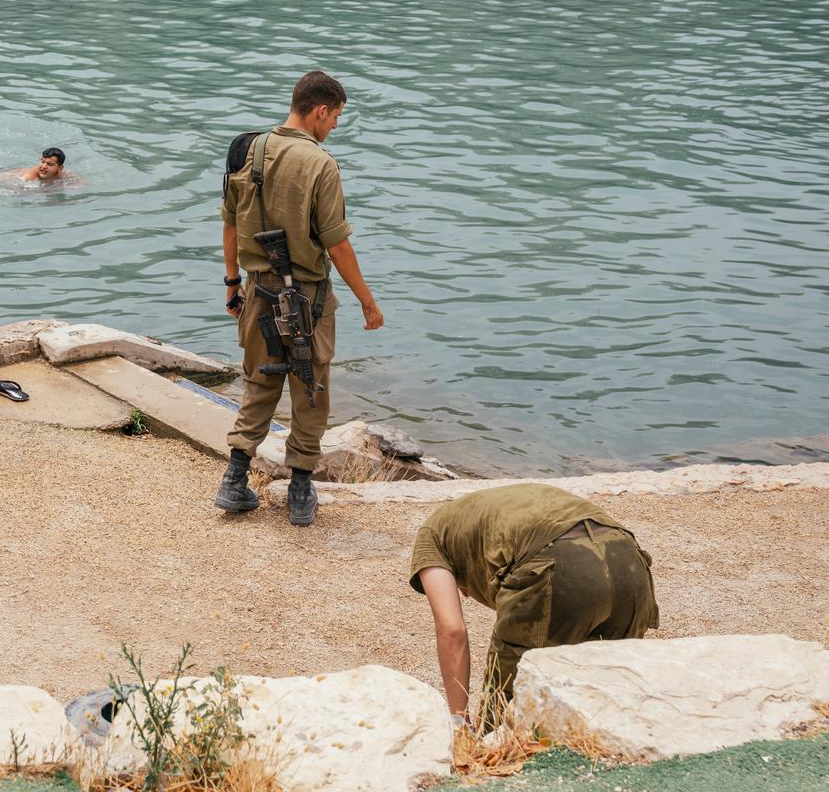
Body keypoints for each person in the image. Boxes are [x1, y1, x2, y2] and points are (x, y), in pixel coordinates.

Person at [214, 71, 383, 528]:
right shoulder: (320, 164)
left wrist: (233, 284)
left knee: (258, 383)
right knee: (311, 388)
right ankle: (301, 487)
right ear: (320, 110)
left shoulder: (248, 150)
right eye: (336, 117)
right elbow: (337, 244)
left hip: (255, 291)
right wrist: (367, 301)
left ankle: (234, 478)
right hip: (306, 297)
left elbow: (229, 224)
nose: (335, 126)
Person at [411, 483, 658, 726]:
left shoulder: (431, 535)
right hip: (628, 560)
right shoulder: (488, 514)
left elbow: (452, 630)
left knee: (504, 718)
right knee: (608, 704)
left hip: (557, 561)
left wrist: (459, 718)